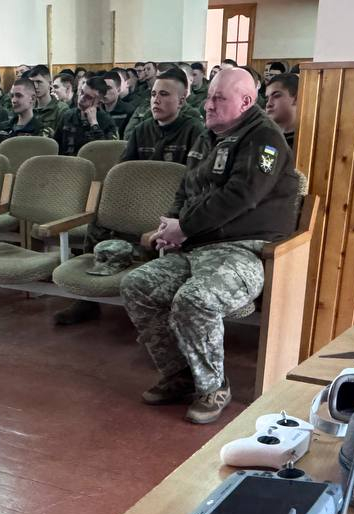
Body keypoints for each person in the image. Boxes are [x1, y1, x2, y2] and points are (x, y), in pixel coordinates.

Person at [120, 68, 300, 424]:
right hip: (197, 247)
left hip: (245, 251)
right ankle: (181, 375)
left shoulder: (265, 140)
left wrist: (185, 228)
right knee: (136, 285)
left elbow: (242, 195)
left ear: (245, 102)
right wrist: (170, 226)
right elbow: (186, 189)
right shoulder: (209, 137)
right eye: (209, 97)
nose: (208, 105)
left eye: (219, 98)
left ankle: (213, 387)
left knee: (196, 299)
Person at [122, 68, 204, 164]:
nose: (156, 100)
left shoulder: (193, 129)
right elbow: (124, 168)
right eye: (153, 94)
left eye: (164, 94)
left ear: (181, 101)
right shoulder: (141, 130)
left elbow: (197, 170)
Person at [53, 77, 118, 156]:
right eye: (82, 92)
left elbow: (107, 153)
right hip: (68, 161)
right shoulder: (68, 115)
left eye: (88, 97)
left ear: (99, 103)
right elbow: (56, 145)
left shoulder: (107, 121)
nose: (81, 98)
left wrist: (94, 124)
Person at [0, 78, 52, 146]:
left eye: (19, 96)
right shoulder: (3, 128)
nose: (13, 100)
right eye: (12, 96)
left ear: (32, 98)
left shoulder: (42, 131)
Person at [27, 65, 65, 136]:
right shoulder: (27, 107)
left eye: (39, 82)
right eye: (32, 83)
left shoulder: (61, 109)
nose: (35, 86)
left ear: (50, 84)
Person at [265, 72, 298, 150]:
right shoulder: (262, 135)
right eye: (267, 99)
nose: (268, 104)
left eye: (276, 96)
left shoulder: (308, 139)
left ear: (296, 99)